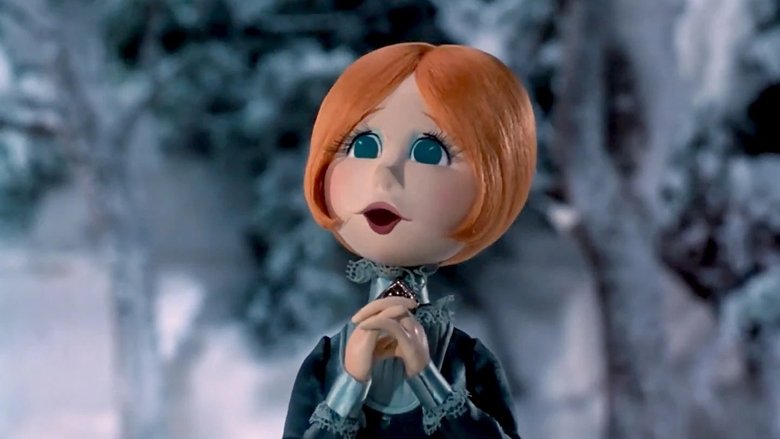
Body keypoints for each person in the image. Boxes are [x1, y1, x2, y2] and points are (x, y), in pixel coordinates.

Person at [282, 42, 536, 439]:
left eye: (429, 152)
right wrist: (349, 386)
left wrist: (427, 375)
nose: (384, 175)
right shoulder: (326, 362)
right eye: (363, 146)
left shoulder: (468, 363)